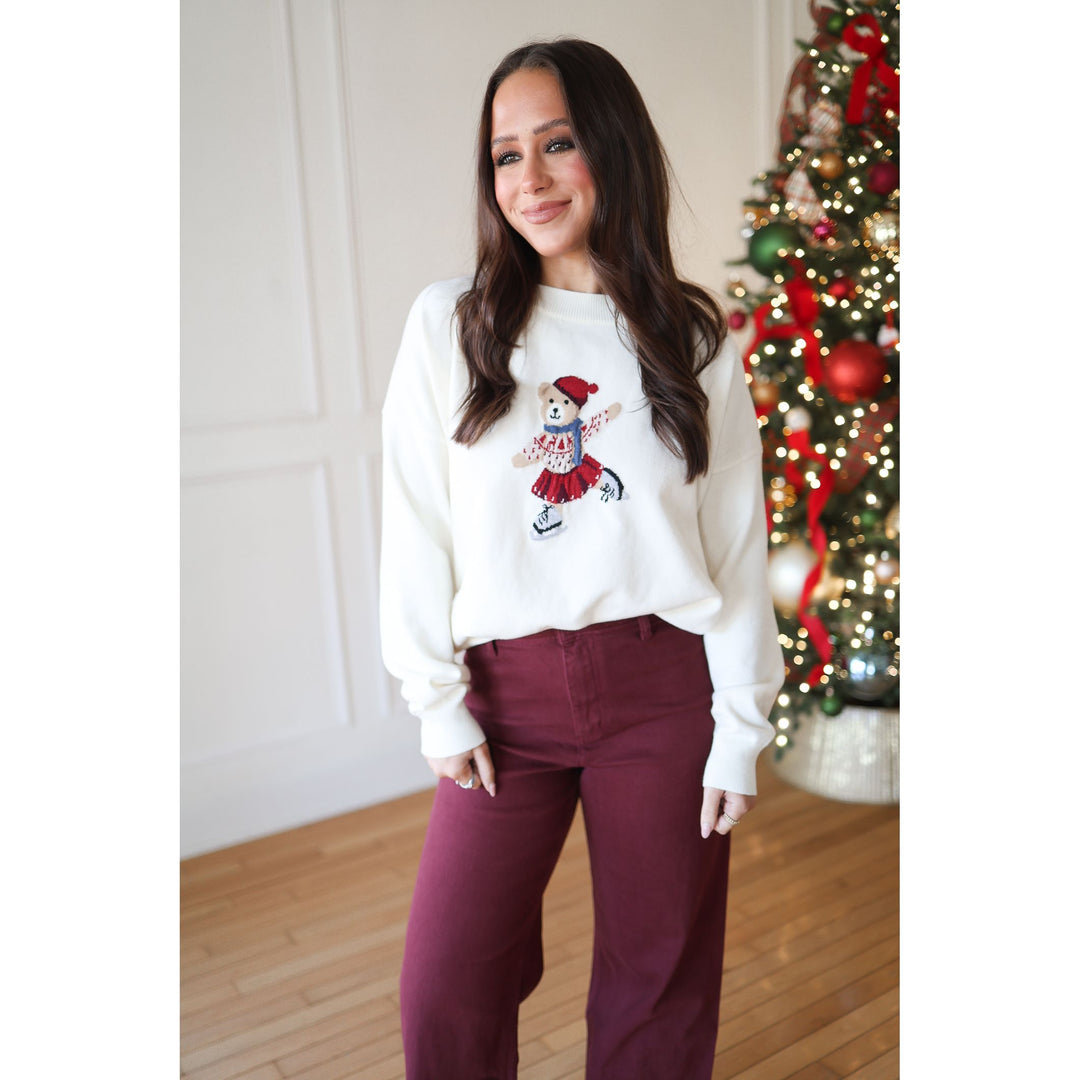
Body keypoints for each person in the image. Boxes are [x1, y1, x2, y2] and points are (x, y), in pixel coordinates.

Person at [379, 37, 784, 1080]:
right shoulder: (452, 327)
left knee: (659, 980)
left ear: (612, 148)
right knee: (447, 983)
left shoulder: (694, 340)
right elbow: (416, 520)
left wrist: (739, 726)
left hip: (661, 691)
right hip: (504, 697)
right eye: (505, 155)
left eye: (556, 144)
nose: (530, 178)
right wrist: (435, 697)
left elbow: (736, 546)